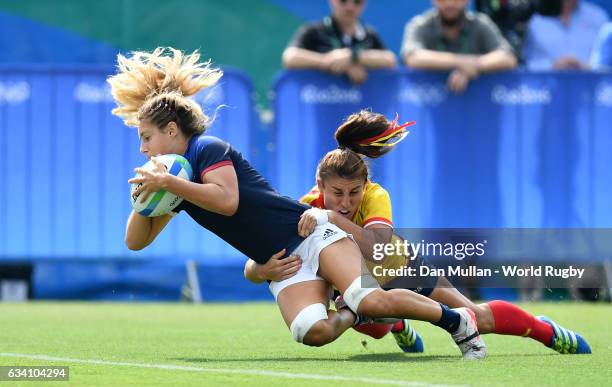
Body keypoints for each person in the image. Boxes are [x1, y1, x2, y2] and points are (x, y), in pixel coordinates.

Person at [108, 47, 485, 359]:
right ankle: (353, 314)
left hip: (309, 231)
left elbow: (226, 201)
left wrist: (168, 181)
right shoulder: (178, 180)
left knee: (369, 298)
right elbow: (135, 242)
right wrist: (145, 199)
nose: (142, 148)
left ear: (172, 131)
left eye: (146, 137)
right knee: (311, 331)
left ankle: (455, 321)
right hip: (283, 262)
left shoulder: (207, 149)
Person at [246, 110, 592, 355]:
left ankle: (545, 330)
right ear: (320, 184)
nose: (346, 202)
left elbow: (376, 246)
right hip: (362, 283)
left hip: (401, 268)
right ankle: (394, 324)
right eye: (337, 194)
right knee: (367, 320)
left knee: (477, 317)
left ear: (365, 184)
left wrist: (331, 219)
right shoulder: (307, 205)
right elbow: (263, 256)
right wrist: (262, 269)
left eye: (354, 192)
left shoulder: (374, 196)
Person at [401, 0, 517, 94]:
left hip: (477, 108)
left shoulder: (480, 23)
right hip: (430, 106)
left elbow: (508, 57)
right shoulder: (420, 24)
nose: (450, 3)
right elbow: (413, 57)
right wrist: (462, 62)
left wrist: (474, 67)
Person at [282, 0, 396, 84]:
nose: (350, 7)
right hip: (323, 104)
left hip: (363, 108)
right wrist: (333, 62)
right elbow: (290, 57)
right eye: (343, 1)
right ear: (332, 1)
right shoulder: (313, 31)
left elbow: (390, 60)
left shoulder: (370, 34)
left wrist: (352, 57)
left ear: (364, 3)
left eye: (357, 2)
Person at [523, 0, 608, 70]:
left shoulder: (599, 18)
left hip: (589, 87)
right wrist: (551, 66)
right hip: (541, 88)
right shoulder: (531, 17)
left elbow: (606, 65)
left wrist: (588, 67)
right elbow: (521, 63)